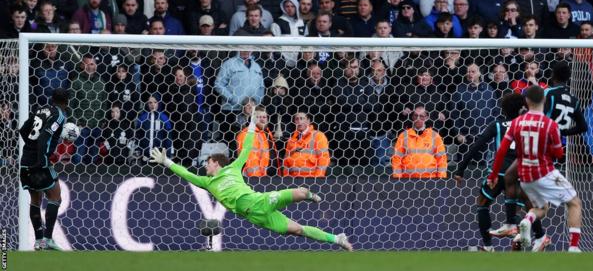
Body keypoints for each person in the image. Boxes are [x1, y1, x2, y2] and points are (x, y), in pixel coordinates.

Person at [148, 108, 353, 251]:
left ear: (217, 163)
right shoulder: (208, 182)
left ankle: (310, 195)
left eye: (208, 162)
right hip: (256, 217)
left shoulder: (234, 168)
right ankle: (337, 239)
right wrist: (166, 162)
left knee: (300, 193)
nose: (205, 165)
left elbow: (246, 149)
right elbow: (187, 174)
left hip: (258, 201)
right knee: (298, 230)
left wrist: (252, 125)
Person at [488, 86, 583, 252]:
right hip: (545, 172)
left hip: (525, 176)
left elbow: (502, 150)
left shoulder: (517, 122)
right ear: (544, 101)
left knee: (541, 208)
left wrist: (493, 174)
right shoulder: (550, 124)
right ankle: (574, 248)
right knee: (574, 203)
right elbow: (559, 153)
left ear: (527, 101)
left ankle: (527, 220)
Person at [454, 93, 548, 252]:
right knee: (523, 210)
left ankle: (488, 246)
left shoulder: (497, 126)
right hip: (520, 174)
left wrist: (461, 169)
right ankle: (537, 237)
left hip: (499, 174)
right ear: (522, 108)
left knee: (482, 204)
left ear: (503, 110)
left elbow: (477, 145)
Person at [19, 88, 71, 250]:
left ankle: (39, 241)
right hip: (38, 163)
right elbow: (44, 138)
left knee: (35, 200)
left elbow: (23, 130)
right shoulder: (60, 116)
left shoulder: (41, 110)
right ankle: (48, 239)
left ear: (52, 99)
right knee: (55, 197)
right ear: (67, 102)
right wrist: (42, 159)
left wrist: (30, 147)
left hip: (25, 161)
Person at [392, 105, 447, 179]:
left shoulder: (435, 136)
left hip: (430, 180)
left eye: (421, 116)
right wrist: (397, 179)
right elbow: (397, 159)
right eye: (416, 115)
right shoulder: (404, 135)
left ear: (426, 118)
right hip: (407, 180)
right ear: (412, 117)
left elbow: (442, 159)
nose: (418, 118)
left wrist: (441, 179)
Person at [283, 112, 330, 177]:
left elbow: (323, 158)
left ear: (308, 121)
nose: (299, 121)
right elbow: (286, 161)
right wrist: (286, 178)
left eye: (302, 118)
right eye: (297, 119)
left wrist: (318, 178)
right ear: (294, 122)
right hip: (292, 180)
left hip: (311, 179)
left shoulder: (318, 136)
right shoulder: (291, 140)